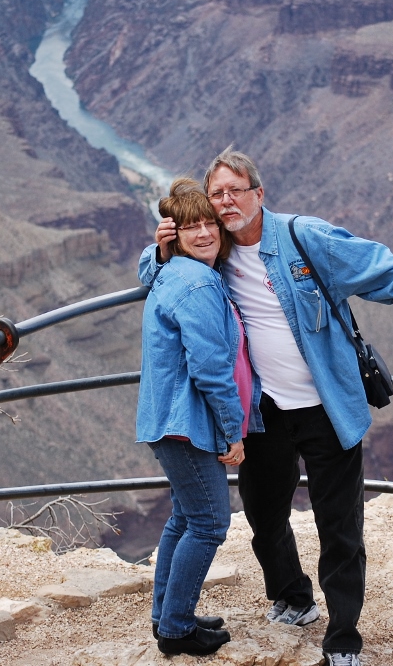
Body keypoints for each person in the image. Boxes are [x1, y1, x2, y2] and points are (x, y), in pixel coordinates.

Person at [140, 148, 393, 666]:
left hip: (327, 408)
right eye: (217, 194)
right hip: (263, 414)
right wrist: (158, 251)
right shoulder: (214, 249)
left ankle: (343, 640)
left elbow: (379, 266)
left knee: (339, 528)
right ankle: (293, 597)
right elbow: (159, 274)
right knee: (265, 516)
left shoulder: (303, 238)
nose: (226, 202)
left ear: (259, 193)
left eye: (236, 190)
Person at [138, 177, 263, 657]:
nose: (205, 233)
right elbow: (210, 370)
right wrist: (234, 433)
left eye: (209, 222)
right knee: (210, 523)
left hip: (168, 421)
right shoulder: (195, 283)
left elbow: (146, 271)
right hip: (185, 424)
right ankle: (175, 629)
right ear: (176, 235)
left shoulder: (173, 271)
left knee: (183, 519)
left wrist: (159, 250)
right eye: (191, 227)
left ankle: (167, 615)